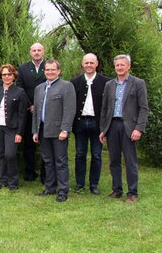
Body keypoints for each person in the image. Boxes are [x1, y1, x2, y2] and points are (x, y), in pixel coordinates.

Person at [99, 54, 148, 204]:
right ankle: (117, 190)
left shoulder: (138, 83)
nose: (119, 68)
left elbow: (144, 108)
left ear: (128, 67)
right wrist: (103, 129)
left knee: (130, 161)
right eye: (117, 65)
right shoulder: (109, 85)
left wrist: (139, 128)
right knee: (114, 160)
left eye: (122, 65)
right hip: (112, 126)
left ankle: (132, 193)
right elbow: (105, 108)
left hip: (129, 127)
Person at [32, 59, 76, 202]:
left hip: (58, 131)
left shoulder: (66, 86)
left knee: (60, 161)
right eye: (47, 70)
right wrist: (35, 131)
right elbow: (36, 112)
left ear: (58, 71)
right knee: (47, 160)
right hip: (43, 129)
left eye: (53, 69)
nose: (50, 72)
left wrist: (65, 130)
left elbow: (69, 110)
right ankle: (50, 187)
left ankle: (63, 190)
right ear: (44, 71)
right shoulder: (39, 88)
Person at [0, 64, 28, 191]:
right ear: (1, 76)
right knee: (0, 154)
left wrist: (20, 133)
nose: (7, 77)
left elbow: (22, 115)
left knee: (10, 155)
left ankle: (13, 182)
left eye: (9, 74)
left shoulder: (20, 92)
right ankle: (3, 180)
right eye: (4, 74)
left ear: (14, 76)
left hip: (12, 129)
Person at [71, 53, 110, 195]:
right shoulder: (75, 82)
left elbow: (108, 106)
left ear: (96, 64)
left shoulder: (106, 82)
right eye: (86, 63)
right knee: (80, 154)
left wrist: (105, 127)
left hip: (97, 123)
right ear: (82, 64)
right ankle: (80, 184)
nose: (89, 65)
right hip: (80, 122)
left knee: (96, 154)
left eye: (91, 63)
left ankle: (94, 184)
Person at [16, 42, 47, 182]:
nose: (36, 52)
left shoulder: (49, 67)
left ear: (43, 52)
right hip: (29, 111)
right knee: (29, 144)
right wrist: (31, 105)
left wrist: (39, 105)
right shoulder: (23, 69)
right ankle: (30, 172)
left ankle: (45, 174)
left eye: (39, 50)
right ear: (30, 52)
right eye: (34, 50)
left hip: (46, 111)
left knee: (46, 143)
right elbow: (20, 88)